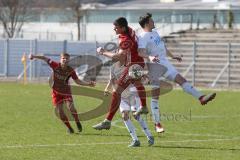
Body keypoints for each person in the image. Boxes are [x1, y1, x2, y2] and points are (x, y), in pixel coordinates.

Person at [137, 13, 216, 132]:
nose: (154, 22)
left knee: (181, 80)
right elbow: (140, 52)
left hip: (165, 63)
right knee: (156, 95)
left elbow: (163, 47)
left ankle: (201, 97)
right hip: (154, 66)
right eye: (151, 20)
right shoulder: (142, 36)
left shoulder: (155, 33)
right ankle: (157, 123)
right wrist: (150, 57)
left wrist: (173, 56)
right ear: (147, 23)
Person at [92, 17, 149, 130]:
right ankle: (143, 106)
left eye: (116, 27)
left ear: (122, 27)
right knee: (137, 83)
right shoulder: (130, 29)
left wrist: (103, 52)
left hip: (132, 66)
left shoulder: (125, 39)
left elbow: (118, 56)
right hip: (138, 63)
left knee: (117, 91)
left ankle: (107, 121)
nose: (114, 29)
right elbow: (125, 51)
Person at [29, 53, 95, 134]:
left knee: (71, 108)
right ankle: (70, 128)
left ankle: (77, 121)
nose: (65, 60)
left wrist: (88, 84)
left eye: (67, 58)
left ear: (69, 60)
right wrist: (34, 56)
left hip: (66, 91)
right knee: (60, 113)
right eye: (63, 58)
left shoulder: (70, 70)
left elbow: (77, 81)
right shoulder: (55, 65)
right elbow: (44, 58)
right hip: (56, 93)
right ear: (60, 59)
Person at [104, 55, 154, 147]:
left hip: (133, 94)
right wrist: (107, 88)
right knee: (125, 116)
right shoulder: (113, 67)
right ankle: (135, 140)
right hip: (121, 96)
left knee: (136, 115)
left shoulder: (130, 65)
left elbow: (140, 73)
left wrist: (146, 77)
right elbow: (111, 80)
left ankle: (149, 135)